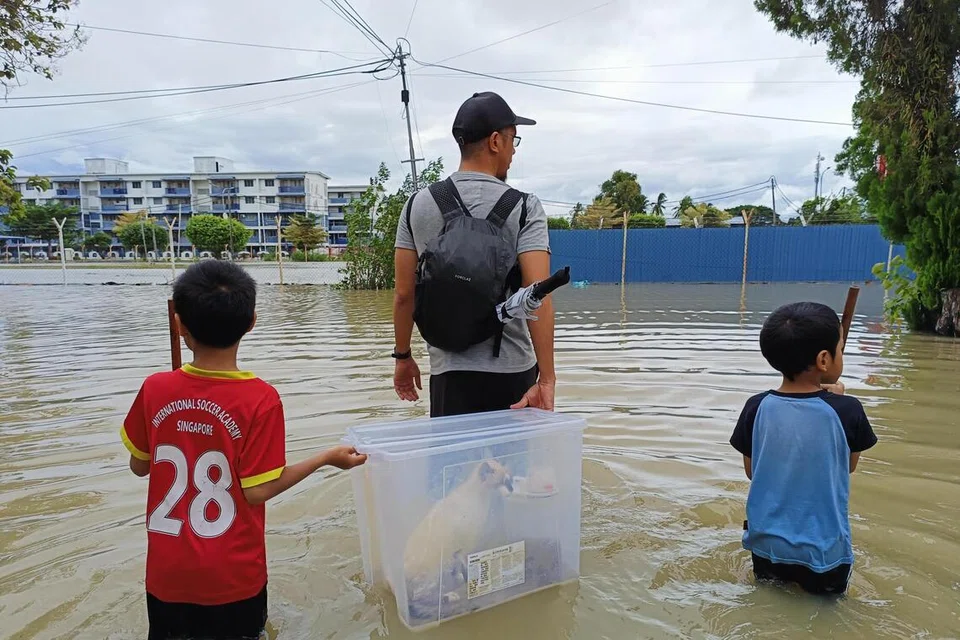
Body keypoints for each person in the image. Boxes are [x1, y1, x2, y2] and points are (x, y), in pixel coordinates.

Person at [120, 260, 367, 640]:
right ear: (252, 321)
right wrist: (325, 458)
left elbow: (140, 466)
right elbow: (256, 490)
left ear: (179, 324)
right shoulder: (260, 399)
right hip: (233, 578)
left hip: (166, 575)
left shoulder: (155, 388)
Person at [392, 91, 556, 418]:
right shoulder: (525, 207)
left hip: (448, 371)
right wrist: (547, 379)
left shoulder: (417, 205)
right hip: (513, 372)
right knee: (512, 469)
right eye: (513, 140)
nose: (513, 151)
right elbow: (539, 297)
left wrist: (403, 357)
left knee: (452, 468)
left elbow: (403, 294)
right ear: (496, 141)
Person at [730, 301, 878, 595]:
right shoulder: (847, 410)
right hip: (822, 551)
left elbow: (752, 471)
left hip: (765, 544)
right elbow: (848, 465)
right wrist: (839, 397)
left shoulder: (756, 407)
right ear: (824, 360)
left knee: (768, 600)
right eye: (841, 349)